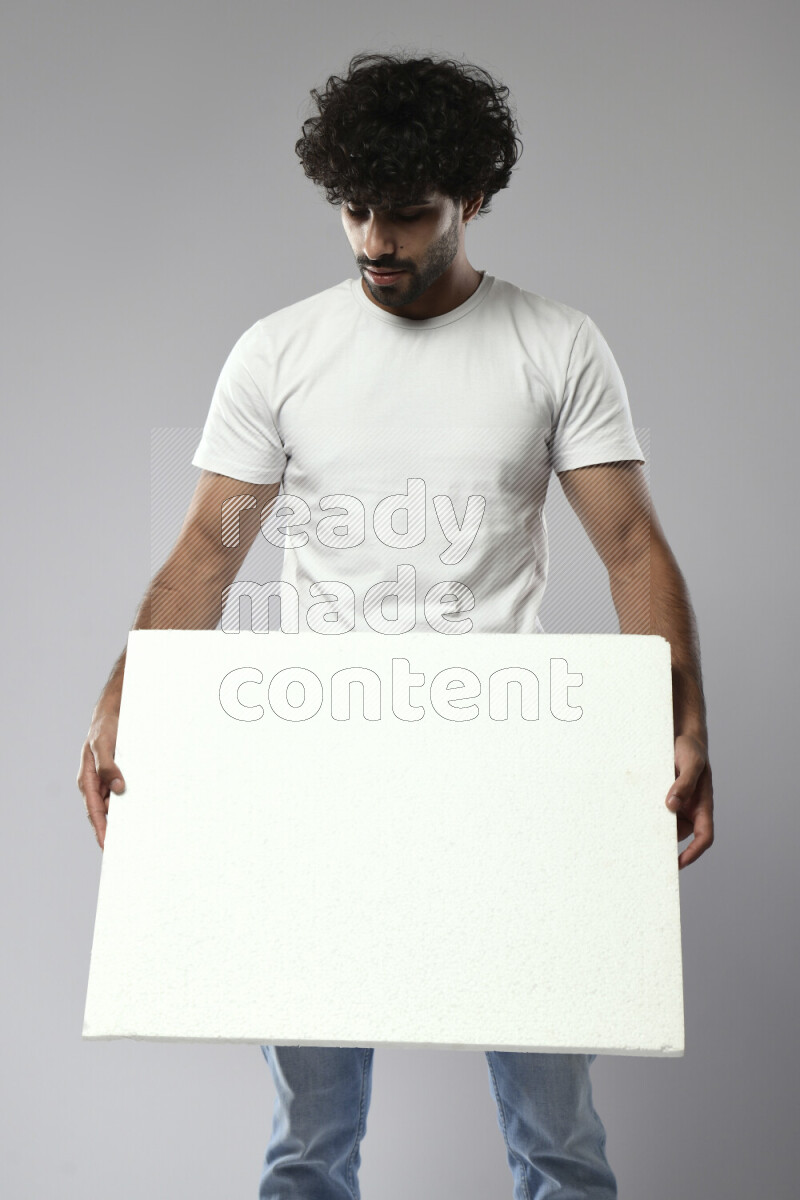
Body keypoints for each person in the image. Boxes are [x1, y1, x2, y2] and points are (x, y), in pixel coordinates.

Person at [77, 50, 714, 1200]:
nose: (376, 238)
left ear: (471, 201)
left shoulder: (554, 345)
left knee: (559, 1149)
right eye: (355, 209)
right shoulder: (280, 353)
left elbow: (631, 550)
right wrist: (127, 697)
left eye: (408, 213)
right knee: (307, 1151)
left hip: (505, 766)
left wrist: (680, 721)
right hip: (321, 766)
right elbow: (204, 563)